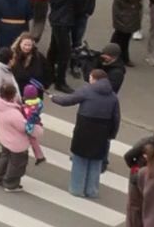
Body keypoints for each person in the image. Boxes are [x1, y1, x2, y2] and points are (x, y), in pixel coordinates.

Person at [51, 66, 122, 198]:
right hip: (102, 131)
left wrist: (54, 98)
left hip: (84, 128)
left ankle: (77, 189)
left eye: (90, 77)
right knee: (96, 161)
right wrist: (111, 135)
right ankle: (92, 190)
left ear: (94, 79)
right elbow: (116, 118)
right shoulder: (113, 97)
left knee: (80, 158)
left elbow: (68, 100)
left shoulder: (87, 91)